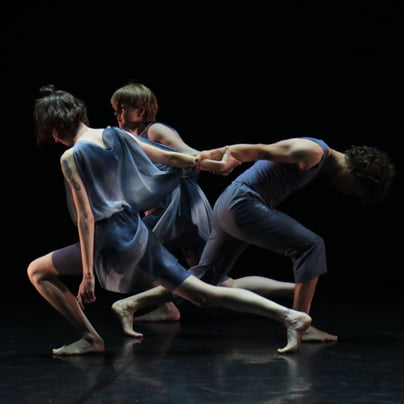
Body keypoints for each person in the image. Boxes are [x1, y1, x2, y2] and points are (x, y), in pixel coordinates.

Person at [27, 84, 311, 356]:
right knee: (201, 293)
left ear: (57, 127)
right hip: (137, 234)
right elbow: (171, 158)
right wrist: (213, 165)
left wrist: (89, 275)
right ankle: (290, 316)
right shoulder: (116, 135)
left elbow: (86, 217)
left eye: (52, 133)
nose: (54, 139)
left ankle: (90, 338)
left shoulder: (72, 156)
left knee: (37, 271)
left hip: (109, 239)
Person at [112, 136, 395, 342]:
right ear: (357, 172)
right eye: (354, 189)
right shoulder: (312, 151)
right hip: (242, 203)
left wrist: (215, 155)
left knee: (204, 282)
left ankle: (130, 304)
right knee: (312, 246)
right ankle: (302, 325)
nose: (347, 193)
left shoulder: (319, 160)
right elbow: (255, 149)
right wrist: (214, 157)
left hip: (232, 204)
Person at [110, 81, 296, 322]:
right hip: (177, 212)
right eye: (115, 110)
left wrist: (215, 165)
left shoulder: (155, 131)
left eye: (121, 109)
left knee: (130, 248)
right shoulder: (131, 138)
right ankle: (297, 289)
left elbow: (189, 153)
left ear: (141, 111)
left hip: (179, 211)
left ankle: (166, 307)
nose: (117, 115)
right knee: (221, 282)